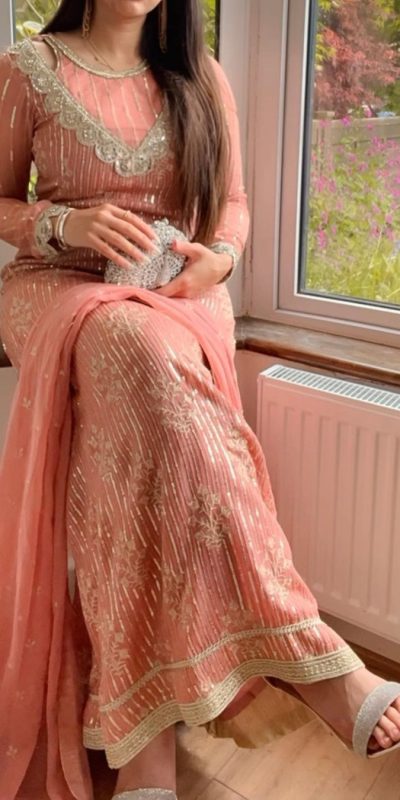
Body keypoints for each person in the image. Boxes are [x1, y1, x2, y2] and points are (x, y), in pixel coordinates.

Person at [0, 1, 399, 798]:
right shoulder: (28, 71)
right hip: (58, 285)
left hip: (175, 293)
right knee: (130, 349)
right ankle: (308, 652)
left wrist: (218, 259)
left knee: (132, 433)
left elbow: (235, 205)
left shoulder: (199, 76)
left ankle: (141, 736)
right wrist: (66, 224)